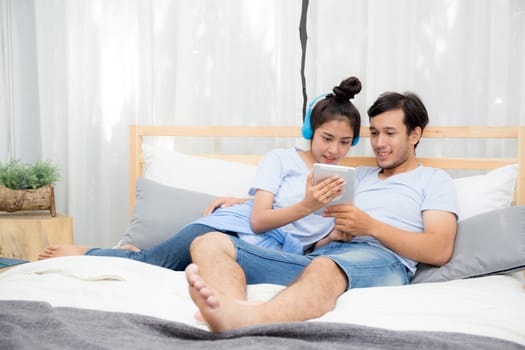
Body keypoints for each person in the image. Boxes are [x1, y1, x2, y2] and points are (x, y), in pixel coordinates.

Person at [184, 91, 459, 332]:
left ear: (415, 135)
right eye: (374, 133)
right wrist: (245, 200)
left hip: (383, 261)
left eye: (390, 133)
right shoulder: (358, 176)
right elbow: (302, 201)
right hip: (321, 255)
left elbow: (440, 249)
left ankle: (252, 320)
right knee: (209, 241)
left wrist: (370, 227)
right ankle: (228, 309)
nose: (378, 143)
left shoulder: (433, 180)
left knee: (325, 267)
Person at [38, 76, 363, 268]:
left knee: (179, 269)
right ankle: (87, 253)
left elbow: (306, 244)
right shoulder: (280, 159)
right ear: (310, 131)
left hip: (268, 255)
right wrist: (306, 204)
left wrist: (333, 236)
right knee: (153, 264)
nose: (334, 150)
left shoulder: (344, 182)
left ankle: (137, 252)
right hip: (236, 231)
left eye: (345, 142)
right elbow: (258, 220)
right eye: (327, 138)